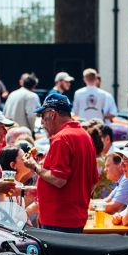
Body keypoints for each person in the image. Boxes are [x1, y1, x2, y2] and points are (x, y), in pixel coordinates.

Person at [23, 93, 97, 233]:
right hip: (74, 218)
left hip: (59, 219)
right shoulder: (85, 135)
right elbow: (93, 181)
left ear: (52, 114)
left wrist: (35, 167)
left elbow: (59, 179)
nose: (42, 122)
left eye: (42, 116)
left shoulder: (61, 138)